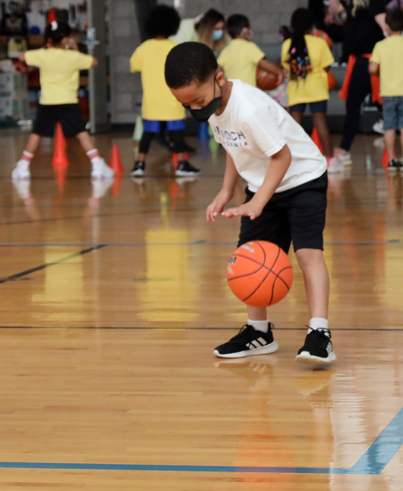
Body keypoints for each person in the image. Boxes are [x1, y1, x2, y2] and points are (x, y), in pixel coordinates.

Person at [164, 42, 335, 364]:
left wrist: (257, 202)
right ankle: (260, 332)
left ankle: (319, 334)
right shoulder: (215, 108)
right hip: (263, 185)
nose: (195, 109)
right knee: (251, 257)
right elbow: (234, 147)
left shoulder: (249, 107)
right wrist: (226, 191)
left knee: (308, 254)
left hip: (302, 179)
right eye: (186, 104)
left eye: (198, 101)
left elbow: (282, 157)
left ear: (219, 78)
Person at [13, 21, 112, 181]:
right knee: (81, 132)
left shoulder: (43, 55)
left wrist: (45, 49)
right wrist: (74, 49)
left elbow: (21, 56)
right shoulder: (73, 56)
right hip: (68, 101)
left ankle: (23, 167)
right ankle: (97, 164)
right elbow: (93, 61)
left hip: (48, 101)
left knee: (37, 133)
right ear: (66, 39)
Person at [130, 5, 200, 178]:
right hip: (173, 101)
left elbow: (134, 66)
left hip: (152, 102)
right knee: (177, 134)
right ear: (173, 26)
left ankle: (139, 164)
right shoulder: (176, 47)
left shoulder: (144, 48)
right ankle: (182, 165)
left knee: (147, 134)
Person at [333, 0, 388, 166]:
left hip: (370, 60)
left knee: (356, 104)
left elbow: (386, 28)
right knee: (375, 103)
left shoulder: (373, 4)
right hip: (361, 59)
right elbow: (334, 9)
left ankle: (344, 150)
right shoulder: (354, 6)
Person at [370, 9, 403, 171]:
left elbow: (372, 68)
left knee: (389, 127)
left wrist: (381, 71)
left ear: (387, 26)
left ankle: (392, 160)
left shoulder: (381, 45)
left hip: (388, 92)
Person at [283, 8, 338, 170]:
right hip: (317, 88)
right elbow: (327, 67)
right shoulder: (320, 43)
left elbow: (287, 67)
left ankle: (291, 161)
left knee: (294, 125)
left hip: (296, 88)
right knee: (320, 123)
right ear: (311, 26)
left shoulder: (287, 44)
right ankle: (330, 160)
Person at [218, 14, 284, 88]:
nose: (250, 31)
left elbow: (217, 68)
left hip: (233, 93)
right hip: (248, 92)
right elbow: (263, 63)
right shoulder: (249, 46)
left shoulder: (226, 50)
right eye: (249, 28)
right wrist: (279, 72)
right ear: (245, 30)